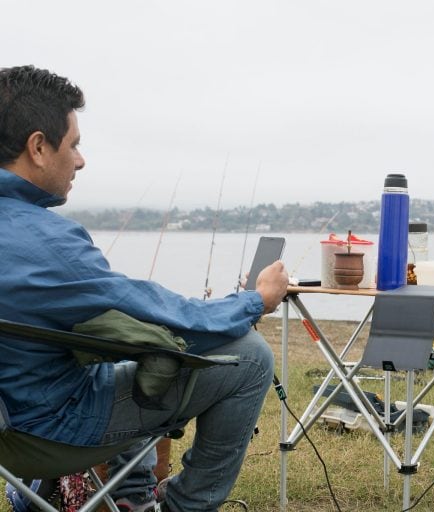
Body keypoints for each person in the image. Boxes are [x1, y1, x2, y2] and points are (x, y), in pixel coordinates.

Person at [0, 65, 289, 512]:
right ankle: (183, 506)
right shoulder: (42, 242)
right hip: (42, 429)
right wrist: (256, 300)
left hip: (14, 413)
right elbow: (163, 320)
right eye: (74, 144)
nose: (80, 160)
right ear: (38, 147)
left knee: (109, 365)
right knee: (250, 356)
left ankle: (130, 499)